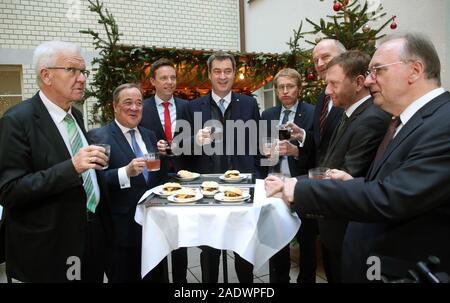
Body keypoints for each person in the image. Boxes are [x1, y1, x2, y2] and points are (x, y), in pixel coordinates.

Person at [265, 32, 450, 282]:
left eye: (378, 71)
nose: (370, 81)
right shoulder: (406, 120)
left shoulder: (443, 122)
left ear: (415, 70)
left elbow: (391, 196)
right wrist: (349, 183)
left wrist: (299, 189)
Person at [0, 41, 112, 282]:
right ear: (46, 75)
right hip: (49, 252)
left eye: (83, 71)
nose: (81, 78)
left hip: (90, 241)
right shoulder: (17, 120)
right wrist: (72, 168)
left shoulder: (76, 116)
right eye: (72, 70)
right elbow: (10, 191)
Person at [316, 50, 391, 282]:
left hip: (347, 231)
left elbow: (348, 175)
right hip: (334, 228)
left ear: (359, 82)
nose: (327, 91)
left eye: (333, 84)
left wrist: (297, 187)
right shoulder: (347, 112)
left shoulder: (371, 119)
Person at [187, 51, 260, 283]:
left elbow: (257, 145)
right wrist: (194, 142)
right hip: (208, 190)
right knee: (209, 250)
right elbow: (182, 148)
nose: (222, 76)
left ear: (234, 74)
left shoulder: (249, 104)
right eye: (217, 71)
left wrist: (256, 179)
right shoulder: (193, 107)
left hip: (242, 187)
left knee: (243, 247)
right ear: (209, 74)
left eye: (227, 71)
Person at [88, 83, 168, 283]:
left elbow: (153, 176)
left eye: (139, 103)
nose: (134, 108)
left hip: (154, 228)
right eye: (128, 102)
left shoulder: (149, 135)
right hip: (122, 232)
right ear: (115, 106)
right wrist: (126, 172)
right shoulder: (100, 137)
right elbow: (96, 181)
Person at [260, 68, 315, 282]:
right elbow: (262, 150)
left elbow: (318, 149)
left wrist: (297, 150)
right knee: (277, 240)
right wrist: (265, 152)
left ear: (299, 88)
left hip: (302, 184)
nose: (285, 91)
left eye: (289, 86)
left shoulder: (311, 113)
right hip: (275, 185)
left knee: (307, 240)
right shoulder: (268, 115)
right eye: (280, 87)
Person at [140, 58, 189, 283]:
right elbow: (137, 139)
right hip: (154, 179)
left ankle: (181, 281)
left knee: (180, 236)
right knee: (157, 235)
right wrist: (154, 149)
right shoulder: (143, 107)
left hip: (182, 177)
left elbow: (193, 142)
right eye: (164, 78)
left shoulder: (187, 107)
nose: (169, 82)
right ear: (153, 81)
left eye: (173, 77)